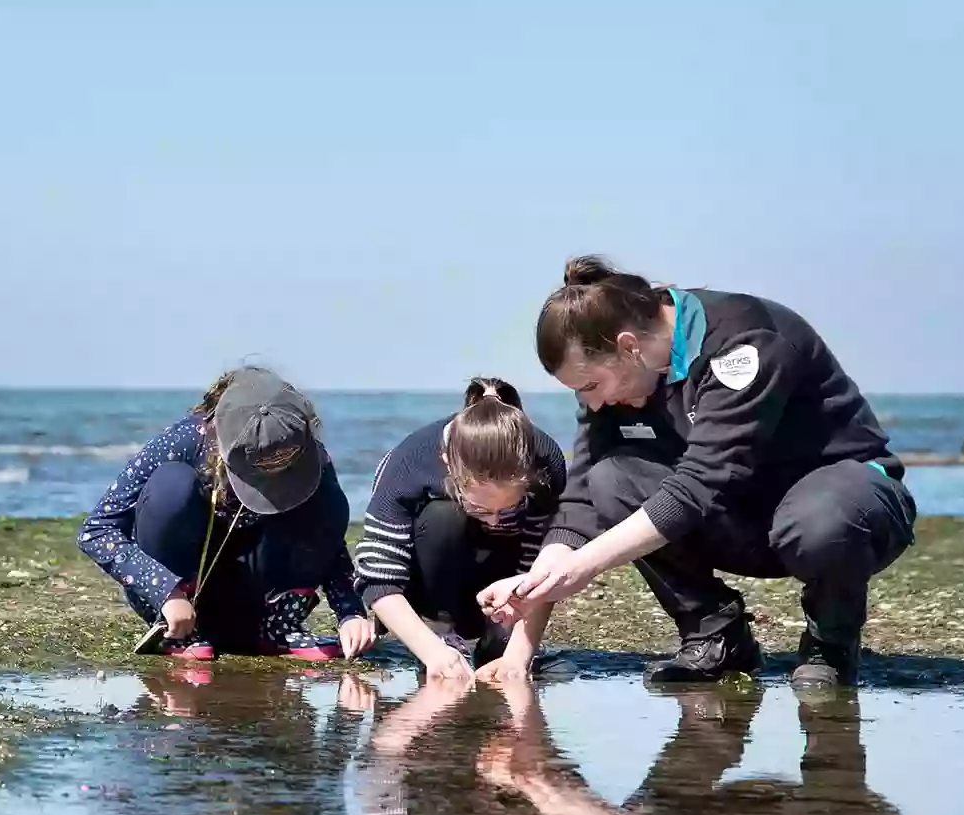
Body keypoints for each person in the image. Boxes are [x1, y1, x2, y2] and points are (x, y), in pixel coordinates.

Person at [480, 256, 916, 689]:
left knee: (822, 517)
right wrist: (542, 579)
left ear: (629, 346)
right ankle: (715, 634)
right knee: (610, 478)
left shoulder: (746, 341)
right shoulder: (616, 381)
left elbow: (701, 483)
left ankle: (831, 644)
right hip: (738, 519)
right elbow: (583, 491)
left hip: (845, 504)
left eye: (591, 386)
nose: (592, 404)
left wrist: (584, 566)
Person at [77, 367, 374, 661]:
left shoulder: (310, 454)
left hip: (262, 599)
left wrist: (350, 612)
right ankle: (178, 632)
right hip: (181, 599)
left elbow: (328, 537)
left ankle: (276, 628)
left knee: (329, 498)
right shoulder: (187, 439)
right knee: (173, 484)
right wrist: (166, 592)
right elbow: (96, 531)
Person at [353, 377, 568, 682]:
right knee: (443, 514)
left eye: (506, 510)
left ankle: (494, 634)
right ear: (447, 465)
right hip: (430, 586)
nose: (495, 522)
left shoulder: (546, 460)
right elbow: (377, 577)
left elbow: (540, 566)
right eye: (482, 509)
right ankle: (439, 629)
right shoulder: (408, 462)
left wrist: (518, 652)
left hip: (499, 591)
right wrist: (431, 652)